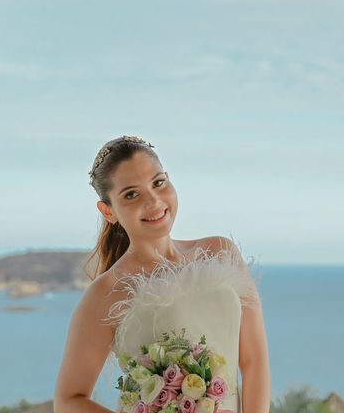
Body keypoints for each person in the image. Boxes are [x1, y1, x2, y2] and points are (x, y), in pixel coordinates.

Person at [54, 135, 271, 413]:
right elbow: (68, 400)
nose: (153, 201)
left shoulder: (221, 251)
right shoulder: (107, 293)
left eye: (158, 183)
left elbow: (254, 362)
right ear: (108, 211)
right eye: (131, 194)